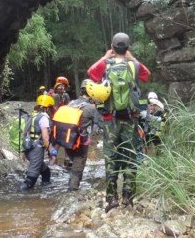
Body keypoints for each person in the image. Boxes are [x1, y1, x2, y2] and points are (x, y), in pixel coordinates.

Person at [87, 32, 151, 212]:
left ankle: (111, 199)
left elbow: (91, 73)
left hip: (110, 120)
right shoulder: (134, 65)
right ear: (128, 48)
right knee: (130, 157)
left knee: (111, 158)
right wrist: (132, 58)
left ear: (112, 47)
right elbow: (147, 75)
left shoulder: (106, 65)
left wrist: (105, 57)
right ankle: (128, 198)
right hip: (131, 119)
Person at [60, 79, 104, 191]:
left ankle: (71, 184)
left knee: (75, 163)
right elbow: (101, 125)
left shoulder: (70, 103)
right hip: (81, 141)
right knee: (78, 164)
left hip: (67, 140)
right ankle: (72, 191)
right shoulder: (91, 108)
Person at [20, 93, 58, 191]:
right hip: (36, 150)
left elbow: (25, 133)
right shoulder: (43, 118)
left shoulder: (32, 116)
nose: (52, 109)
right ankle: (19, 194)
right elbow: (45, 138)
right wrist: (52, 152)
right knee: (30, 180)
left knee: (45, 172)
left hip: (28, 148)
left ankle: (45, 188)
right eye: (51, 107)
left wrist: (23, 152)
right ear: (47, 108)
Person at [138, 91, 167, 157]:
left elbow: (163, 125)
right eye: (150, 105)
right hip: (144, 135)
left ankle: (158, 156)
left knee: (158, 145)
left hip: (156, 135)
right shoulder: (143, 112)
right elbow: (139, 125)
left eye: (154, 105)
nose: (152, 107)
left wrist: (158, 134)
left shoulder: (160, 113)